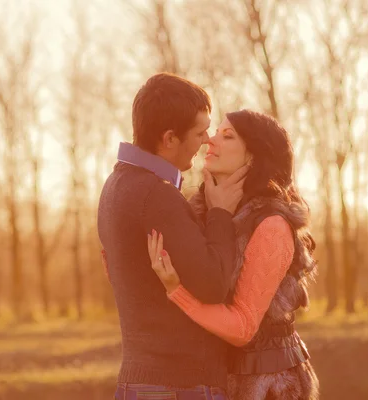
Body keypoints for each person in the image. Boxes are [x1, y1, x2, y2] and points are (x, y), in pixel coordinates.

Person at [147, 110, 320, 399]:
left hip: (269, 385)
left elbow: (242, 327)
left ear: (253, 157)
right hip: (219, 377)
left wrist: (177, 291)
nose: (210, 141)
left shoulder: (272, 226)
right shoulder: (203, 212)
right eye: (216, 132)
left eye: (227, 136)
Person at [97, 72, 249, 400]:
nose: (208, 140)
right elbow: (212, 283)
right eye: (199, 132)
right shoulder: (155, 195)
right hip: (179, 386)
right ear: (169, 138)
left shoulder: (115, 185)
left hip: (144, 381)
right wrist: (220, 212)